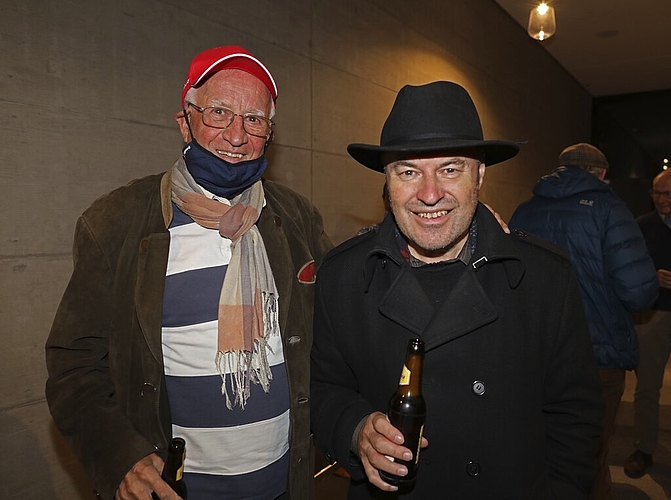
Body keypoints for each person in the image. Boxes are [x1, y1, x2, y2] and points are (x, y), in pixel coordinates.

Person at [45, 45, 332, 500]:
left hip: (286, 485)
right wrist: (121, 455)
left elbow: (345, 313)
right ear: (185, 122)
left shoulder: (297, 219)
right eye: (219, 113)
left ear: (269, 134)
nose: (237, 136)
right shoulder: (115, 224)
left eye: (254, 120)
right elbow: (74, 365)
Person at [310, 81, 605, 499]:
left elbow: (576, 418)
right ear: (387, 181)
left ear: (480, 174)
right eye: (409, 171)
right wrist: (356, 428)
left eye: (451, 169)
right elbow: (322, 388)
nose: (430, 194)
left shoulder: (544, 276)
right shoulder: (343, 276)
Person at [509, 143, 659, 498]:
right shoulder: (609, 209)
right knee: (589, 454)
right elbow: (639, 292)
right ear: (601, 173)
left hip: (538, 354)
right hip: (598, 353)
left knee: (543, 448)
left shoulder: (524, 210)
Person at [623, 169, 671, 478]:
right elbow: (629, 266)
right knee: (647, 387)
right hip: (654, 312)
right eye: (657, 193)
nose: (662, 199)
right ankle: (645, 448)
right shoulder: (642, 226)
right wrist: (651, 277)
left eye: (668, 194)